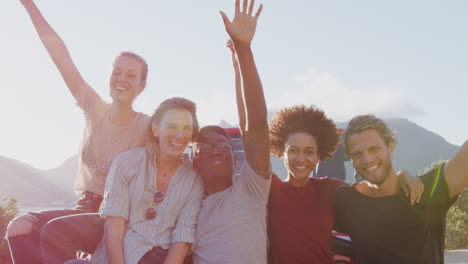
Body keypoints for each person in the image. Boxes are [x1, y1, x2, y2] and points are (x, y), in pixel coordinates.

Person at [226, 24, 424, 264]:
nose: (301, 159)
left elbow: (375, 188)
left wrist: (404, 176)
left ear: (319, 155)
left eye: (309, 152)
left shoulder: (330, 189)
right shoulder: (270, 189)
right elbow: (249, 126)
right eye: (294, 151)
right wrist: (239, 64)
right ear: (280, 152)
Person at [8, 1, 150, 263]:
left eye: (131, 75)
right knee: (19, 228)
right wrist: (30, 7)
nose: (122, 79)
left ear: (142, 86)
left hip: (118, 217)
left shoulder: (148, 126)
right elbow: (60, 57)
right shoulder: (95, 110)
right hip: (82, 209)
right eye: (117, 72)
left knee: (53, 232)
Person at [62, 97, 203, 264]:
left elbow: (182, 236)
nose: (180, 134)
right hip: (119, 256)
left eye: (187, 127)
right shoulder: (126, 163)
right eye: (172, 126)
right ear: (156, 130)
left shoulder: (194, 179)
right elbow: (114, 226)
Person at [191, 0, 271, 263]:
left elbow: (253, 125)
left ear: (236, 159)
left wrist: (244, 51)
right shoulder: (185, 206)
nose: (216, 149)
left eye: (224, 147)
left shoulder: (249, 189)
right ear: (193, 160)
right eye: (206, 145)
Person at [334, 114, 468, 264]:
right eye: (357, 154)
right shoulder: (345, 201)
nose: (367, 160)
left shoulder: (426, 190)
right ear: (351, 159)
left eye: (374, 149)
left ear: (390, 147)